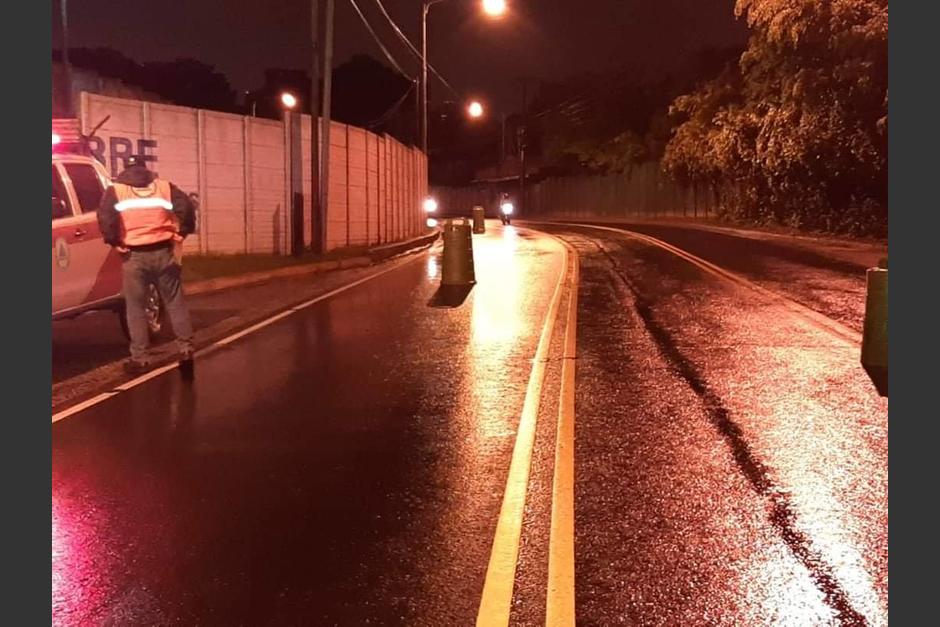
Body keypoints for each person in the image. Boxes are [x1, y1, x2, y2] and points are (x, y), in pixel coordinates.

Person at [97, 156, 197, 378]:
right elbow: (186, 208)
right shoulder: (163, 187)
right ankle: (186, 349)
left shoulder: (116, 190)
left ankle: (140, 359)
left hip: (134, 256)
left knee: (135, 308)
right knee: (175, 302)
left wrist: (114, 241)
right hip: (164, 252)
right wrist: (182, 232)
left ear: (126, 169)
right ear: (144, 168)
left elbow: (105, 217)